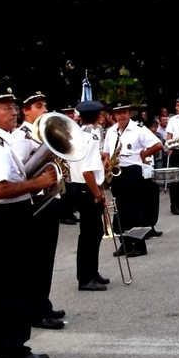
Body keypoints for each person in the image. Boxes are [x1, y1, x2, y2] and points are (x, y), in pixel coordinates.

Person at [0, 88, 55, 358]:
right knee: (14, 284)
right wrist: (38, 184)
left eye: (15, 106)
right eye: (7, 107)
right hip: (5, 216)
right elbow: (0, 189)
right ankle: (15, 350)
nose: (14, 112)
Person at [12, 91, 66, 330]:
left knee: (46, 258)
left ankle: (42, 303)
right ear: (25, 110)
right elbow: (19, 172)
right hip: (35, 203)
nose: (44, 110)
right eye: (38, 106)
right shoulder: (22, 136)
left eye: (45, 106)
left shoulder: (41, 134)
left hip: (49, 199)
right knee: (37, 260)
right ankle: (35, 311)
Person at [103, 102, 163, 258]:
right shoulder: (111, 131)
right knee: (121, 210)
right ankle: (126, 243)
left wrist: (144, 154)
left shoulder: (139, 130)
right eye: (118, 113)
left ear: (128, 113)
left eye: (124, 112)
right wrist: (106, 164)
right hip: (117, 171)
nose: (122, 115)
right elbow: (106, 153)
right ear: (114, 115)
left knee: (135, 209)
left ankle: (140, 245)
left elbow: (158, 145)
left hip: (133, 170)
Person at [69, 100, 109, 291]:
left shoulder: (77, 134)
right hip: (87, 189)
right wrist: (98, 194)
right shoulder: (92, 137)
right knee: (90, 235)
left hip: (78, 187)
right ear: (97, 117)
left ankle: (92, 272)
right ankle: (86, 278)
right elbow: (87, 172)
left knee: (92, 233)